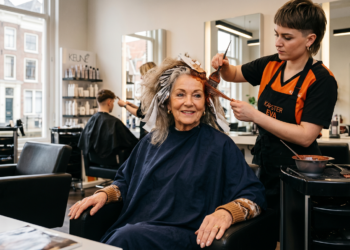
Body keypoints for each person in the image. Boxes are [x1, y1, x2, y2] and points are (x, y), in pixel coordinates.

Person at [69, 57, 266, 250]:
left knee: (126, 238)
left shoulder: (221, 145)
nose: (189, 102)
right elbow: (125, 181)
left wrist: (226, 213)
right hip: (138, 227)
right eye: (180, 95)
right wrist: (105, 194)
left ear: (205, 102)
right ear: (167, 103)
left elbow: (253, 195)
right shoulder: (151, 141)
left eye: (197, 95)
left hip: (187, 234)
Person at [211, 0, 338, 245]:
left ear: (310, 39)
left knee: (293, 236)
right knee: (264, 230)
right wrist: (224, 66)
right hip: (265, 161)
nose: (278, 42)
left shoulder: (321, 80)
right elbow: (234, 74)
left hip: (299, 171)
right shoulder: (271, 64)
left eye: (287, 37)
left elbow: (305, 136)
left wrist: (255, 115)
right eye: (276, 34)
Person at [78, 89, 139, 167]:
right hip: (115, 165)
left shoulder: (90, 121)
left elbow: (84, 144)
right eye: (113, 102)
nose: (113, 105)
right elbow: (133, 143)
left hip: (95, 164)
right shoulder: (115, 122)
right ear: (109, 102)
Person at [117, 62, 157, 139]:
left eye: (142, 74)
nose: (141, 77)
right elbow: (144, 111)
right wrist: (132, 106)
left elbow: (140, 114)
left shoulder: (150, 92)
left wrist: (124, 105)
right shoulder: (155, 90)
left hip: (148, 132)